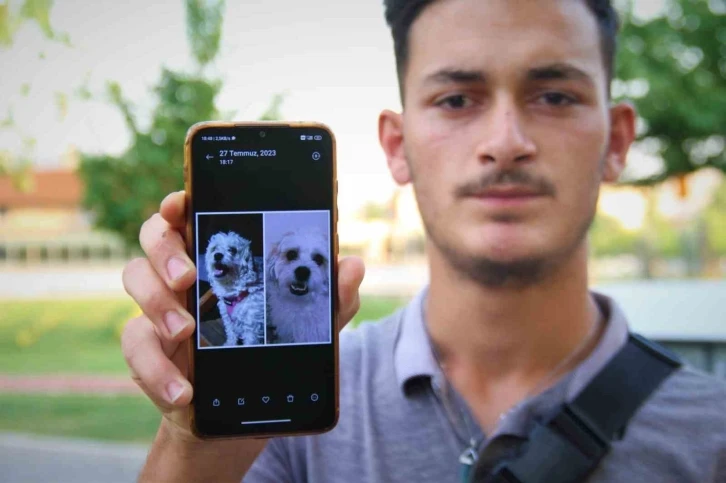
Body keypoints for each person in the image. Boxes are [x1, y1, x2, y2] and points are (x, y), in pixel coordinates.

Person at [121, 0, 726, 481]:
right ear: (396, 146)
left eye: (555, 96)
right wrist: (193, 445)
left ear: (617, 140)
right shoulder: (299, 409)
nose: (506, 140)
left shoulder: (712, 436)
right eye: (457, 99)